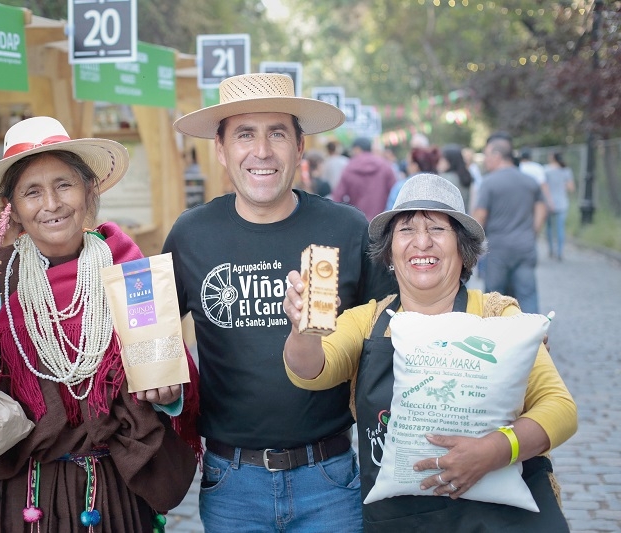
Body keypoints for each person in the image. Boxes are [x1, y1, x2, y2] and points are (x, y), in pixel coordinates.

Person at [0, 116, 199, 532]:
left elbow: (166, 372)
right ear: (12, 208)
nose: (52, 203)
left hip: (105, 492)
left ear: (87, 190)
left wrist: (168, 393)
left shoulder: (128, 272)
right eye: (32, 192)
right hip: (12, 492)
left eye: (64, 184)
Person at [282, 173, 577, 531]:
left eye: (437, 229)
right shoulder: (366, 322)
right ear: (389, 251)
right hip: (403, 519)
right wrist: (303, 329)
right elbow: (311, 370)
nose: (421, 243)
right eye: (406, 231)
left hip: (503, 519)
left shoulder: (498, 315)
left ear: (463, 249)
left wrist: (495, 450)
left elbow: (560, 408)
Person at [167, 73, 397, 532]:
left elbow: (395, 335)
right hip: (231, 482)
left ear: (299, 146)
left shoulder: (348, 230)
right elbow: (146, 337)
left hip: (330, 477)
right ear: (221, 149)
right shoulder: (191, 235)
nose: (262, 150)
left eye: (277, 133)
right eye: (245, 134)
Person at [473, 134, 547, 313]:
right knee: (527, 294)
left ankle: (496, 337)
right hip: (525, 245)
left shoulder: (489, 183)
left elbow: (479, 217)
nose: (485, 161)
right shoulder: (529, 181)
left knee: (494, 297)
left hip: (498, 247)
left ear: (497, 156)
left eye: (487, 156)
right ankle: (533, 336)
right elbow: (542, 208)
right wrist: (533, 231)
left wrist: (473, 244)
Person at [332, 136, 396, 221]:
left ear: (357, 149)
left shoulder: (349, 168)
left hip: (357, 221)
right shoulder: (385, 166)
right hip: (381, 221)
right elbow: (395, 192)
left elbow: (338, 197)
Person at [386, 145, 440, 211]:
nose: (406, 167)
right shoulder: (439, 184)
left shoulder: (402, 186)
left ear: (415, 166)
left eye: (408, 163)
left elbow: (390, 210)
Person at [544, 152, 576, 261]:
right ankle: (560, 251)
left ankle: (551, 250)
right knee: (560, 228)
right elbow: (572, 188)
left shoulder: (546, 170)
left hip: (548, 202)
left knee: (549, 227)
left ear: (552, 158)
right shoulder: (566, 171)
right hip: (562, 202)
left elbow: (544, 187)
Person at [438, 143, 474, 211]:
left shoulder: (444, 178)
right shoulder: (466, 176)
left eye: (442, 159)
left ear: (450, 160)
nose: (439, 162)